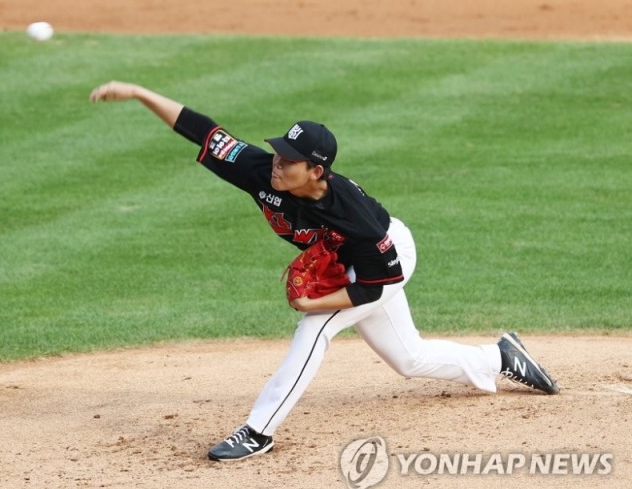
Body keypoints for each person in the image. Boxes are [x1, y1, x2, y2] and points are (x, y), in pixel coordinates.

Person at [89, 81, 560, 462]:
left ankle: (259, 430)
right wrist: (139, 93)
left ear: (316, 171)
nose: (277, 164)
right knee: (409, 360)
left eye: (288, 161)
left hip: (385, 261)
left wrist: (315, 303)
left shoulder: (355, 217)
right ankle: (499, 358)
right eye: (277, 153)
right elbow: (204, 131)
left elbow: (379, 286)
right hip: (354, 268)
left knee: (313, 330)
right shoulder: (262, 172)